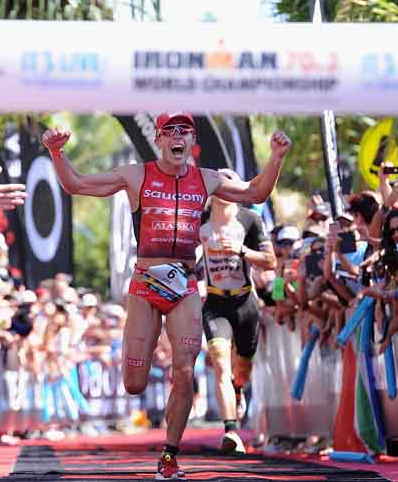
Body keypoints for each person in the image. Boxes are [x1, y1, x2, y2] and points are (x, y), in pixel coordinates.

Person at [42, 112, 290, 480]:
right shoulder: (135, 174)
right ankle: (160, 428)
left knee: (185, 369)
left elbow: (256, 192)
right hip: (145, 281)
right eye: (170, 131)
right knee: (134, 383)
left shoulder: (207, 179)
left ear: (192, 142)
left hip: (185, 283)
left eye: (185, 132)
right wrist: (57, 154)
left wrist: (277, 157)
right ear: (159, 139)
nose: (178, 137)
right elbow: (76, 185)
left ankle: (170, 456)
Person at [197, 169, 275, 453]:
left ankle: (238, 388)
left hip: (245, 303)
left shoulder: (250, 219)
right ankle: (231, 431)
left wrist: (241, 251)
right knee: (219, 361)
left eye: (227, 183)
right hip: (216, 303)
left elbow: (270, 261)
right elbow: (182, 255)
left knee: (241, 372)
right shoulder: (200, 220)